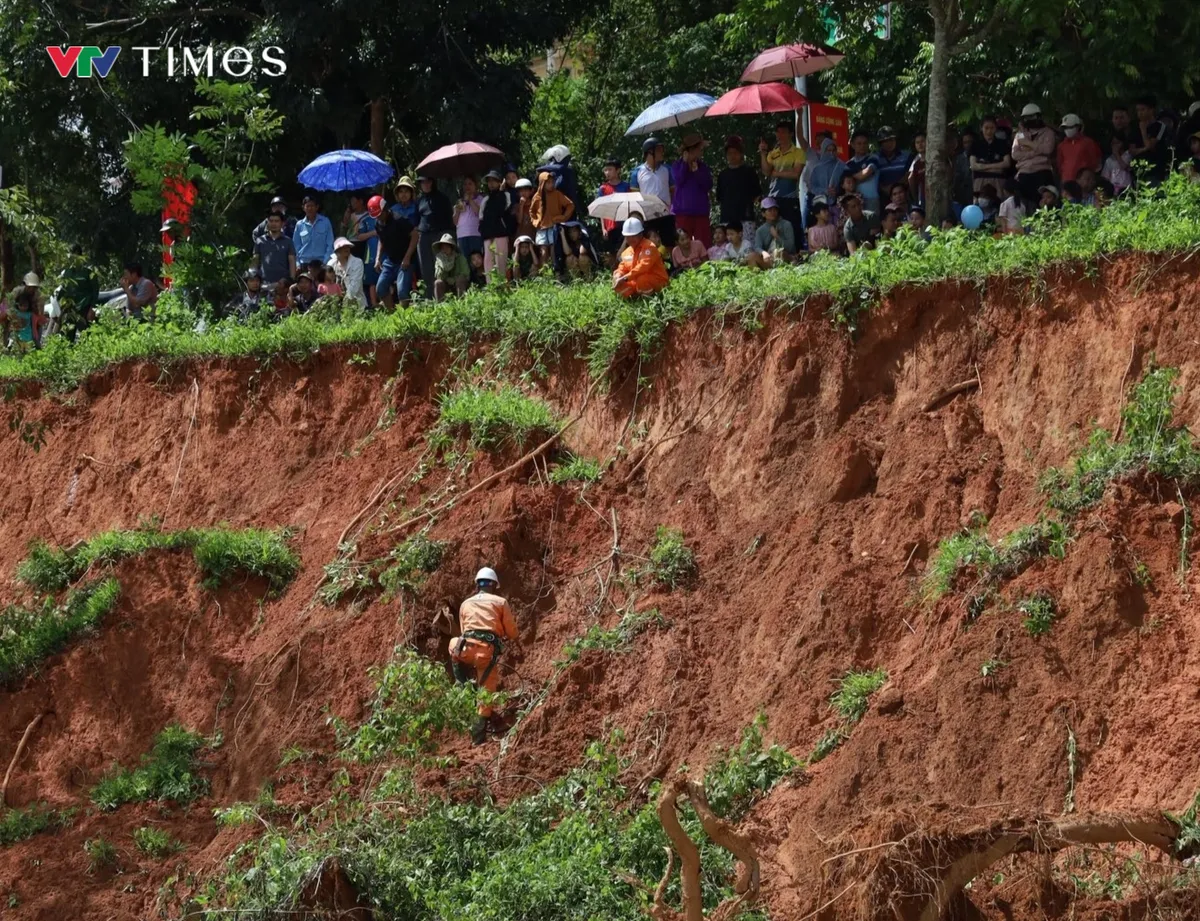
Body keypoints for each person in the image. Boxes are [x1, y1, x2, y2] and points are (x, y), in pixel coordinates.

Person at [450, 567, 519, 745]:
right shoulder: (500, 602)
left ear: (477, 585)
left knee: (454, 644)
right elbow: (512, 632)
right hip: (484, 653)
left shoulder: (466, 603)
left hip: (463, 650)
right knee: (486, 695)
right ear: (494, 585)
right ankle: (478, 738)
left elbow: (464, 630)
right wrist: (509, 635)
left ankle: (462, 682)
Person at [759, 120, 805, 233]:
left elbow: (795, 174)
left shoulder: (798, 152)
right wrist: (763, 154)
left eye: (783, 132)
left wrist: (776, 173)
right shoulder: (773, 153)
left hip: (790, 198)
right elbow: (766, 172)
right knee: (774, 230)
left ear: (791, 134)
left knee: (792, 230)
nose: (780, 135)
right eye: (778, 132)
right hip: (773, 199)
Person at [373, 199, 419, 309]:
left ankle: (404, 315)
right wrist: (378, 258)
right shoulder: (378, 223)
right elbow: (381, 239)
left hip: (405, 260)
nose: (378, 218)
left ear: (385, 210)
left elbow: (415, 235)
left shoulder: (399, 219)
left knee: (402, 291)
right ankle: (392, 314)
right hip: (390, 260)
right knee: (380, 288)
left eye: (379, 215)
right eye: (375, 216)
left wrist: (407, 257)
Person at [671, 133, 714, 249]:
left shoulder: (702, 166)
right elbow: (679, 181)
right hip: (683, 212)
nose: (701, 152)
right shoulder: (677, 165)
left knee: (704, 244)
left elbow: (708, 185)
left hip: (700, 212)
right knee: (684, 245)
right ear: (690, 150)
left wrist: (697, 172)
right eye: (699, 149)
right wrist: (685, 164)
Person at [716, 136, 761, 243]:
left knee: (748, 247)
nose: (732, 156)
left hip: (746, 218)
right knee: (728, 248)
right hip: (727, 217)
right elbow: (719, 196)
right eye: (729, 153)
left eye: (735, 152)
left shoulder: (749, 172)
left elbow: (757, 194)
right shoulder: (722, 175)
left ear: (741, 154)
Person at [416, 175, 455, 297]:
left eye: (428, 182)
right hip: (423, 236)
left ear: (432, 182)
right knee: (426, 268)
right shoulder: (420, 200)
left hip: (439, 234)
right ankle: (430, 297)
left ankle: (444, 295)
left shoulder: (442, 198)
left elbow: (450, 219)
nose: (426, 185)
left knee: (440, 266)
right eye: (423, 182)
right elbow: (417, 219)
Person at [1011, 104, 1056, 207]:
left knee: (1043, 204)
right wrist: (1036, 151)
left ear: (1038, 116)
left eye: (1032, 116)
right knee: (1024, 205)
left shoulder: (1048, 133)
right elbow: (1015, 154)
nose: (1029, 119)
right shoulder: (1020, 135)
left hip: (1042, 173)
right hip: (1024, 173)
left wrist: (1028, 143)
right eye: (1026, 117)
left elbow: (1048, 149)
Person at [611, 217, 669, 298]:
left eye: (633, 236)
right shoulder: (626, 252)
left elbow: (643, 267)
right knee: (619, 285)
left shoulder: (649, 247)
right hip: (635, 280)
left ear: (641, 234)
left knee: (642, 279)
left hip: (658, 280)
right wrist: (618, 275)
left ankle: (649, 299)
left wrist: (625, 278)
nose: (630, 239)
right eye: (628, 236)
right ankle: (634, 297)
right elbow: (622, 267)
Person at [635, 137, 675, 248]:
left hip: (665, 213)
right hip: (648, 215)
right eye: (658, 150)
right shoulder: (637, 172)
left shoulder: (667, 169)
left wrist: (670, 207)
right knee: (650, 244)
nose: (662, 152)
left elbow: (673, 191)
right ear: (650, 152)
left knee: (669, 244)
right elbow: (635, 196)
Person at [529, 171, 574, 266]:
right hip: (541, 228)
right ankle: (544, 272)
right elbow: (532, 211)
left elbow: (570, 205)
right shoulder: (537, 196)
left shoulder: (557, 194)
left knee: (554, 250)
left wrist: (563, 217)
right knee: (543, 252)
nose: (551, 184)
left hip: (554, 226)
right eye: (548, 183)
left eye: (552, 182)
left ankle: (555, 270)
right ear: (542, 183)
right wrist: (535, 221)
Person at [57, 248, 100, 341]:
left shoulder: (89, 272)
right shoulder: (67, 272)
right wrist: (60, 307)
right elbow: (63, 290)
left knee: (88, 337)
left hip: (84, 308)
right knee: (67, 339)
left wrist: (92, 309)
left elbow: (95, 292)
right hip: (69, 310)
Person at [1130, 95, 1170, 186]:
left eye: (1142, 110)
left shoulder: (1159, 126)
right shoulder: (1135, 127)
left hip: (1155, 171)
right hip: (1138, 171)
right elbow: (1132, 150)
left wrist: (1143, 131)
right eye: (1138, 110)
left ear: (1151, 110)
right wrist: (1144, 149)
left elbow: (1151, 146)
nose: (1140, 113)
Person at [480, 170, 511, 285]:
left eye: (494, 181)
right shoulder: (485, 199)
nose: (491, 183)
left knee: (501, 261)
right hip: (488, 235)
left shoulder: (506, 195)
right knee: (488, 262)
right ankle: (491, 287)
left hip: (500, 233)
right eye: (489, 181)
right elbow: (481, 217)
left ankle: (502, 285)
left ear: (499, 182)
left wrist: (501, 192)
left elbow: (502, 209)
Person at [253, 210, 298, 288]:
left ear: (282, 223)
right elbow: (255, 261)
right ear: (267, 223)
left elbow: (292, 262)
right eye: (271, 221)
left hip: (282, 284)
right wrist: (253, 279)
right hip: (263, 283)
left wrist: (291, 280)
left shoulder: (288, 241)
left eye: (276, 221)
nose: (273, 224)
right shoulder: (260, 241)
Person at [596, 159, 631, 258]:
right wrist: (603, 228)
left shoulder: (626, 187)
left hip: (623, 224)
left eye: (610, 169)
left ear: (618, 170)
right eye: (605, 170)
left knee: (625, 253)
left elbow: (630, 205)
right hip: (609, 225)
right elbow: (601, 208)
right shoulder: (603, 188)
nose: (607, 172)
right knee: (612, 255)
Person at [970, 116, 1012, 194]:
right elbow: (973, 165)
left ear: (995, 128)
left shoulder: (1002, 144)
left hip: (998, 181)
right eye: (986, 128)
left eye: (992, 128)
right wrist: (996, 168)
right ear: (981, 128)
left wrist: (982, 166)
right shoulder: (975, 144)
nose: (989, 131)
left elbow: (1007, 163)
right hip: (980, 181)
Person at [805, 137, 846, 217]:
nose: (831, 153)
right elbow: (812, 187)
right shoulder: (817, 169)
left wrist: (837, 191)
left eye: (833, 150)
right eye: (828, 150)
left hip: (839, 204)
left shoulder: (841, 166)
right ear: (823, 151)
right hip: (821, 206)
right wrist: (825, 191)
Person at [1056, 114, 1102, 184]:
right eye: (1065, 127)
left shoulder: (1088, 142)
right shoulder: (1061, 145)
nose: (1067, 130)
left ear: (1078, 127)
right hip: (1066, 181)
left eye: (1070, 127)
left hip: (1083, 183)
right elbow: (1059, 165)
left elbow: (1095, 162)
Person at [3, 273, 44, 351]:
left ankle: (37, 343)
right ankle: (7, 343)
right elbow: (8, 305)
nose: (31, 289)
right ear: (25, 284)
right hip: (16, 314)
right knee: (7, 321)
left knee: (39, 324)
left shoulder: (38, 294)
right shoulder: (17, 291)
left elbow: (40, 310)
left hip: (30, 315)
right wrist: (15, 317)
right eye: (30, 287)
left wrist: (37, 317)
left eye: (34, 287)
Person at [846, 130, 882, 218]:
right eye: (859, 143)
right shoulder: (849, 163)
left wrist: (851, 174)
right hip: (855, 201)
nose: (862, 146)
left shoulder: (873, 158)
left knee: (873, 226)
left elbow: (863, 175)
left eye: (865, 143)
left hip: (872, 200)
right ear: (852, 145)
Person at [753, 197, 796, 267]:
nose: (773, 212)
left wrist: (776, 236)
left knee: (779, 252)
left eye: (775, 210)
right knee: (751, 256)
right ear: (763, 214)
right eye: (769, 210)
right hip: (769, 258)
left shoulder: (786, 224)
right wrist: (763, 252)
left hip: (785, 255)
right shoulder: (760, 230)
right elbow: (757, 247)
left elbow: (791, 247)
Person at [294, 194, 335, 266]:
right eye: (307, 206)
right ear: (303, 208)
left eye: (312, 206)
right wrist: (297, 263)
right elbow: (295, 246)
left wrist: (326, 261)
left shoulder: (325, 222)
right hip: (304, 262)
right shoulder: (299, 224)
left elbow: (330, 243)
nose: (310, 208)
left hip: (321, 262)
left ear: (317, 207)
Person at [537, 145, 581, 212]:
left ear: (559, 156)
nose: (552, 161)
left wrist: (540, 168)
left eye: (554, 158)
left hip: (568, 209)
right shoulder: (557, 172)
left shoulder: (568, 170)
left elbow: (560, 167)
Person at [875, 127, 911, 199]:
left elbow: (909, 174)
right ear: (880, 143)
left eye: (892, 140)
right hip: (883, 198)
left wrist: (894, 188)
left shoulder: (907, 155)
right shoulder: (875, 158)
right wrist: (884, 189)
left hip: (904, 197)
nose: (889, 143)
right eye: (886, 141)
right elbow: (873, 178)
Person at [330, 236, 367, 307]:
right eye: (343, 247)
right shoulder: (331, 264)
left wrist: (344, 303)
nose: (346, 248)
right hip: (335, 302)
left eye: (348, 246)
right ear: (337, 250)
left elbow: (354, 286)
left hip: (355, 302)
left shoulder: (357, 262)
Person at [453, 176, 484, 260]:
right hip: (461, 235)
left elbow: (479, 213)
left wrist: (470, 200)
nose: (467, 186)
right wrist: (457, 211)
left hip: (475, 233)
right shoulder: (460, 201)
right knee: (464, 261)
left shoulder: (480, 199)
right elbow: (455, 222)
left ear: (475, 186)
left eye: (470, 184)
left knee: (476, 260)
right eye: (465, 184)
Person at [433, 234, 470, 301]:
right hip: (446, 284)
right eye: (442, 248)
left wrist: (453, 280)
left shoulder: (460, 258)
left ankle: (462, 302)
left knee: (460, 279)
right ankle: (440, 305)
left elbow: (466, 273)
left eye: (447, 247)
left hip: (459, 283)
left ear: (452, 248)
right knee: (437, 282)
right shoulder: (439, 260)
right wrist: (442, 264)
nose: (445, 250)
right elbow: (438, 276)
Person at [952, 128, 976, 208]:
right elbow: (957, 177)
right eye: (965, 142)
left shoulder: (979, 155)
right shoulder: (959, 158)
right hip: (963, 194)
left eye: (970, 142)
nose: (968, 144)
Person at [907, 132, 927, 207]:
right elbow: (911, 180)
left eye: (922, 141)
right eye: (917, 142)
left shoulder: (935, 160)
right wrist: (915, 197)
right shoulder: (916, 164)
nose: (920, 144)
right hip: (923, 199)